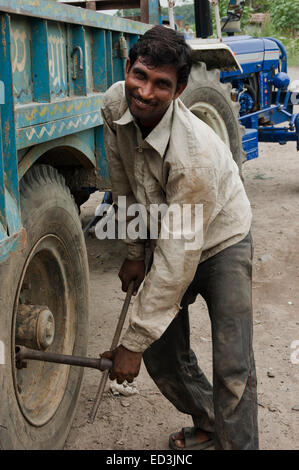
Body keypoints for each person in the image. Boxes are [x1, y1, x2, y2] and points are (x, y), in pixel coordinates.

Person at [101, 25, 258, 450]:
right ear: (128, 67)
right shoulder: (115, 101)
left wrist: (130, 343)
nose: (145, 92)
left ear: (180, 89)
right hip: (171, 233)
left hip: (223, 240)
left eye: (162, 84)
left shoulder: (196, 156)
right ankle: (211, 423)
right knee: (162, 354)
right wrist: (134, 252)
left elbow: (176, 257)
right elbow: (123, 182)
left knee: (233, 367)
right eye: (140, 75)